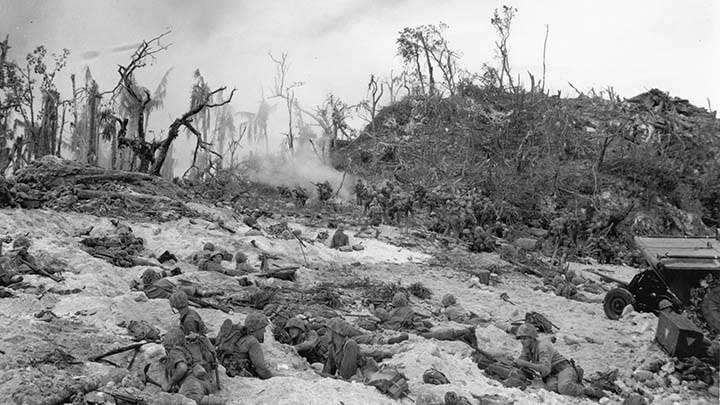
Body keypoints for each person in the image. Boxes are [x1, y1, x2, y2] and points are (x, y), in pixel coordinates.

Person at [514, 323, 602, 398]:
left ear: (532, 338)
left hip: (563, 369)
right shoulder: (527, 347)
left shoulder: (543, 346)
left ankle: (590, 391)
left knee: (564, 388)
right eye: (520, 338)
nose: (522, 341)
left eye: (524, 338)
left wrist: (525, 363)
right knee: (552, 389)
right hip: (550, 374)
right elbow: (522, 361)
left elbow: (545, 369)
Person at [216, 312, 274, 379]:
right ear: (256, 328)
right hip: (236, 373)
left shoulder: (237, 333)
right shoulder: (253, 342)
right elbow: (261, 369)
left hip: (223, 366)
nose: (264, 331)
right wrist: (272, 377)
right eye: (263, 328)